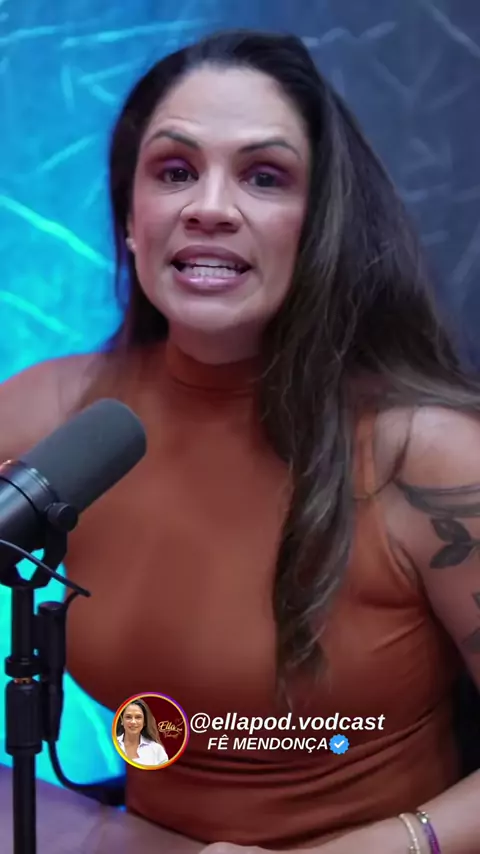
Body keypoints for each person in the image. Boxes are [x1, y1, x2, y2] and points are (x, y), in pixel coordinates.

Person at [1, 27, 480, 854]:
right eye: (174, 171)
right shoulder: (48, 414)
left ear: (318, 224)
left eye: (264, 176)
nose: (210, 207)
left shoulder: (429, 456)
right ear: (131, 219)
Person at [116, 698, 169, 767]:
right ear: (122, 720)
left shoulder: (157, 750)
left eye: (138, 717)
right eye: (128, 717)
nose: (133, 722)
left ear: (144, 722)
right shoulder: (110, 746)